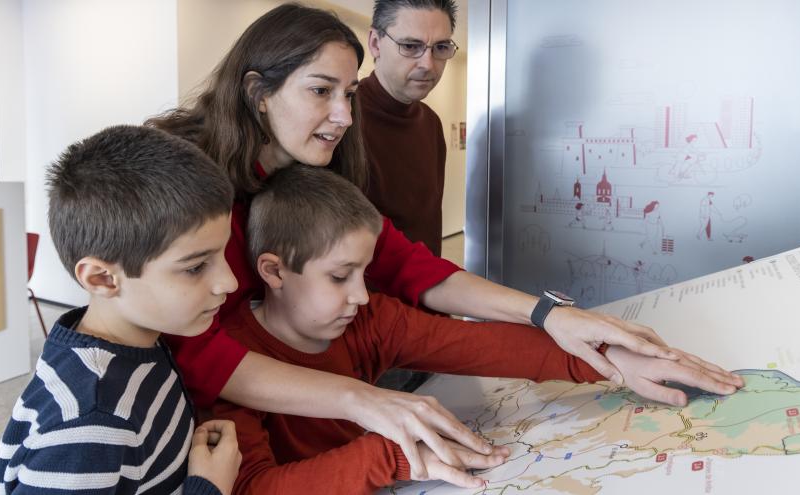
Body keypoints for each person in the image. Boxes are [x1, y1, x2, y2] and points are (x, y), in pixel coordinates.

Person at [147, 3, 684, 476]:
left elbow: (409, 266)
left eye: (350, 94)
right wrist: (364, 401)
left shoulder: (317, 174)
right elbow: (198, 352)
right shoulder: (185, 184)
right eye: (320, 91)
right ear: (257, 92)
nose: (342, 116)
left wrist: (551, 316)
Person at [202, 165, 743, 494]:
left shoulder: (371, 319)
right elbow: (253, 489)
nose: (363, 295)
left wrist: (613, 360)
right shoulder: (230, 372)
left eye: (366, 273)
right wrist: (392, 452)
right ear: (272, 271)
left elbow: (478, 346)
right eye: (340, 277)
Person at [0, 125, 242, 494]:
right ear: (103, 279)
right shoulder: (88, 423)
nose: (230, 281)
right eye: (195, 266)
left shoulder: (141, 339)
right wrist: (209, 487)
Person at [359, 0, 458, 257]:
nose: (428, 63)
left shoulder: (431, 123)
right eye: (410, 46)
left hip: (423, 291)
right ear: (375, 43)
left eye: (440, 47)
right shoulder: (340, 119)